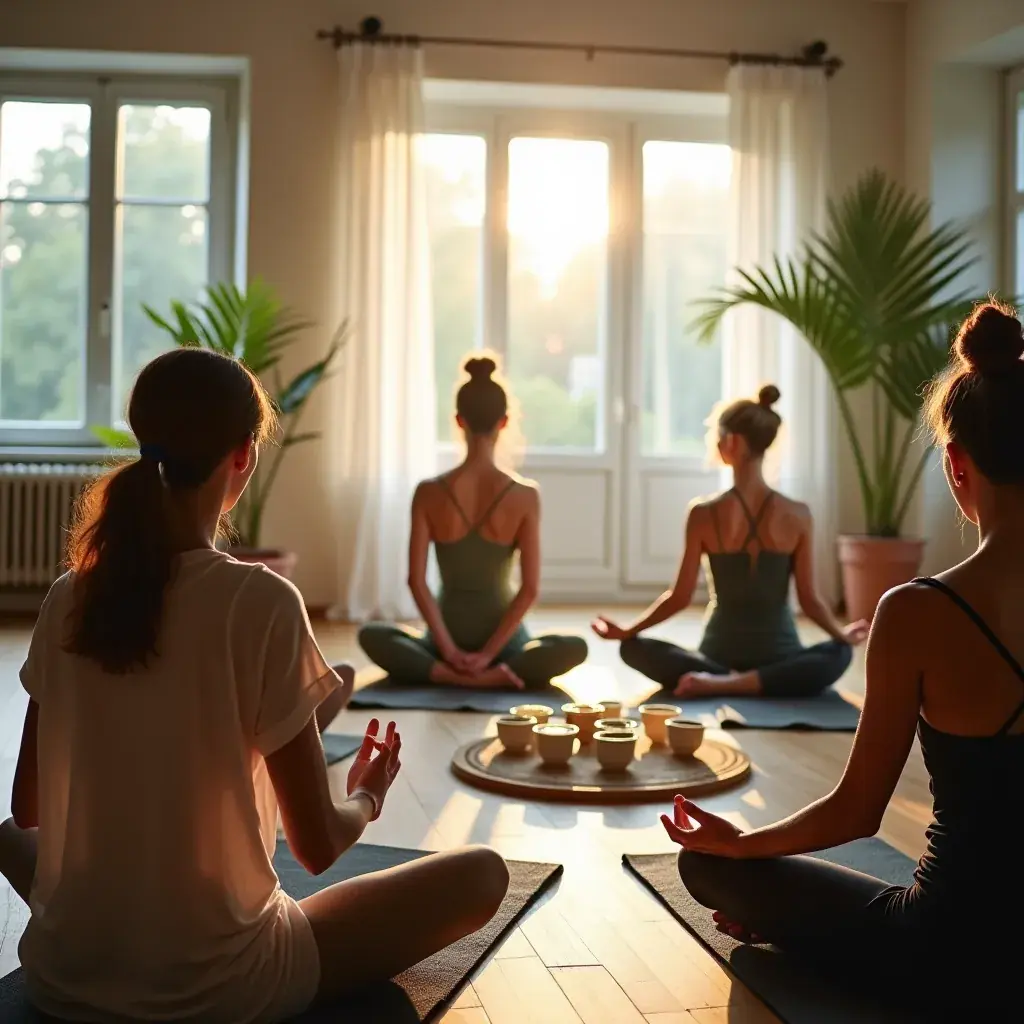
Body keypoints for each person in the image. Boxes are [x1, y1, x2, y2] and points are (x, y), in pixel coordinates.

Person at [0, 348, 508, 1022]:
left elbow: (29, 807)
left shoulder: (69, 594)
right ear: (245, 455)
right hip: (227, 990)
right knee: (482, 874)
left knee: (8, 834)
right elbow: (318, 846)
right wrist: (366, 795)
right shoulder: (261, 600)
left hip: (63, 984)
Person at [661, 302, 1024, 1011]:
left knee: (709, 869)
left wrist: (745, 845)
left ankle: (793, 926)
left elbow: (858, 812)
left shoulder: (917, 610)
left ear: (956, 465)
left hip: (944, 947)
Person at [592, 385, 867, 700]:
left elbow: (679, 597)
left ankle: (720, 681)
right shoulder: (798, 515)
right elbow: (809, 600)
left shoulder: (702, 514)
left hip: (715, 658)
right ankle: (755, 681)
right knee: (839, 654)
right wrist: (840, 635)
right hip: (781, 659)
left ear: (732, 442)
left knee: (633, 648)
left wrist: (629, 631)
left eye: (718, 438)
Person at [359, 355, 588, 690]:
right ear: (505, 421)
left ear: (459, 420)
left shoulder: (428, 492)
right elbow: (529, 590)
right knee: (573, 647)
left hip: (444, 641)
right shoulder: (525, 495)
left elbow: (416, 582)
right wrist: (487, 656)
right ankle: (493, 676)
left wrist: (449, 652)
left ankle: (445, 675)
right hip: (505, 647)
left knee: (372, 635)